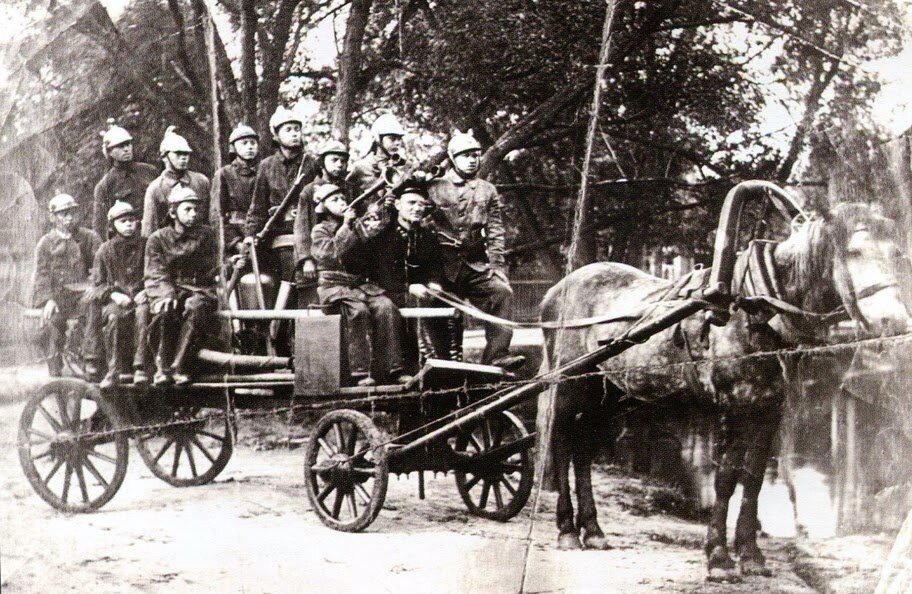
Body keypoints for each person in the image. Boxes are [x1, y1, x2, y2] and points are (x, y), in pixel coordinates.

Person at [426, 131, 524, 370]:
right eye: (465, 156)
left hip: (474, 264)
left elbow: (495, 230)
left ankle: (497, 355)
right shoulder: (434, 186)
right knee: (439, 311)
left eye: (475, 155)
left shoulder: (487, 190)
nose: (472, 160)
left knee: (501, 293)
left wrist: (497, 267)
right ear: (452, 158)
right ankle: (443, 364)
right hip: (441, 267)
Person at [310, 183, 411, 386]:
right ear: (322, 206)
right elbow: (330, 255)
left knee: (386, 307)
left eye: (342, 198)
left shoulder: (356, 224)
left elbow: (374, 235)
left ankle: (393, 369)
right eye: (335, 200)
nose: (342, 203)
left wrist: (384, 207)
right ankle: (360, 372)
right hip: (334, 287)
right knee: (358, 311)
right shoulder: (320, 230)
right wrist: (346, 227)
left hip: (359, 286)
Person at [145, 186, 218, 386]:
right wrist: (166, 295)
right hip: (170, 288)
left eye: (196, 209)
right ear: (173, 212)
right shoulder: (158, 239)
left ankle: (180, 366)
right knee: (165, 311)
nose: (193, 214)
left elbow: (214, 267)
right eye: (187, 209)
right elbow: (155, 272)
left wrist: (230, 264)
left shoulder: (206, 235)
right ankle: (161, 367)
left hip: (199, 289)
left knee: (195, 307)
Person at [245, 106, 317, 305]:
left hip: (309, 233)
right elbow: (257, 207)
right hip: (279, 234)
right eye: (289, 130)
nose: (295, 134)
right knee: (283, 273)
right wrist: (250, 236)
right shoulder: (267, 166)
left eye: (297, 129)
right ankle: (279, 330)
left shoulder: (311, 163)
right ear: (276, 135)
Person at [32, 194, 101, 376]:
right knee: (51, 325)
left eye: (72, 213)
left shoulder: (89, 237)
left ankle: (90, 358)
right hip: (58, 298)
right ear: (52, 217)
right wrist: (47, 300)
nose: (70, 218)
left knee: (93, 307)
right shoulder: (45, 244)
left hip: (83, 294)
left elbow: (99, 266)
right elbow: (42, 274)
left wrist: (94, 286)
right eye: (63, 214)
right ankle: (54, 369)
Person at [87, 201, 150, 387]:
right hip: (117, 300)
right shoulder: (105, 251)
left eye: (132, 220)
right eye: (123, 221)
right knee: (113, 317)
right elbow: (97, 285)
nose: (129, 225)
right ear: (113, 225)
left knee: (143, 313)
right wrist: (113, 295)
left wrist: (147, 290)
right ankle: (113, 370)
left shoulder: (146, 245)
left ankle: (140, 367)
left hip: (141, 298)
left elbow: (155, 272)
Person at [294, 139, 353, 302]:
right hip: (318, 255)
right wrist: (306, 260)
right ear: (321, 163)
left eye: (343, 161)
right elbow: (302, 227)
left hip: (344, 255)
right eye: (334, 160)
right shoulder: (309, 191)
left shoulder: (350, 189)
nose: (339, 164)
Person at [92, 120, 158, 239]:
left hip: (155, 235)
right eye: (121, 146)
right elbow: (100, 226)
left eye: (128, 144)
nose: (126, 149)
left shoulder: (149, 171)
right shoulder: (105, 185)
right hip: (128, 241)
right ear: (109, 152)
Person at [141, 126, 211, 237]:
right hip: (169, 246)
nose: (183, 158)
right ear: (164, 157)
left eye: (186, 154)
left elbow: (210, 218)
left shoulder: (201, 181)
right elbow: (149, 230)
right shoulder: (155, 188)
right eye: (178, 154)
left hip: (200, 244)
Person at [210, 123, 259, 256]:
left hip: (261, 235)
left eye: (253, 143)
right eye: (244, 143)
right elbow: (217, 216)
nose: (249, 146)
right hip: (235, 236)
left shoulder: (263, 171)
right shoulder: (224, 174)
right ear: (233, 147)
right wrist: (235, 243)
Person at [346, 113, 407, 200]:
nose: (398, 143)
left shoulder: (402, 168)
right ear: (378, 139)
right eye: (392, 138)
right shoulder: (360, 167)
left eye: (399, 138)